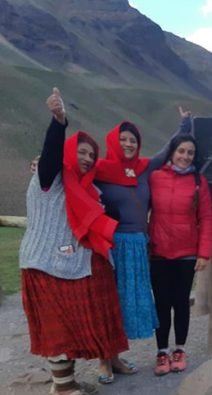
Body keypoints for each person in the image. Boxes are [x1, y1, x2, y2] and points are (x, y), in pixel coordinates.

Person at [19, 88, 128, 395]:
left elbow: (112, 212)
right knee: (57, 329)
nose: (87, 157)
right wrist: (59, 120)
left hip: (70, 262)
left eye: (91, 155)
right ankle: (63, 387)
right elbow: (52, 153)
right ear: (69, 151)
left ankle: (64, 384)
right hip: (44, 263)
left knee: (70, 327)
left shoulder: (89, 189)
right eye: (81, 151)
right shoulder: (47, 175)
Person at [93, 108, 193, 381]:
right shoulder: (99, 169)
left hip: (139, 246)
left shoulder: (144, 168)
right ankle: (104, 360)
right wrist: (41, 163)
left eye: (133, 141)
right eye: (123, 139)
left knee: (126, 303)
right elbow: (72, 172)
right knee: (108, 301)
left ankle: (115, 358)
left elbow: (168, 151)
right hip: (112, 245)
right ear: (114, 140)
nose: (128, 144)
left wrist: (185, 124)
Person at [148, 134, 212, 376]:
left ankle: (179, 350)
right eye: (181, 151)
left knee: (181, 303)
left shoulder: (199, 182)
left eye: (190, 153)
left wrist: (204, 253)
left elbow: (206, 218)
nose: (185, 156)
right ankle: (162, 352)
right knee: (161, 304)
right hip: (159, 252)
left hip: (187, 253)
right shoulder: (155, 178)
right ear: (172, 152)